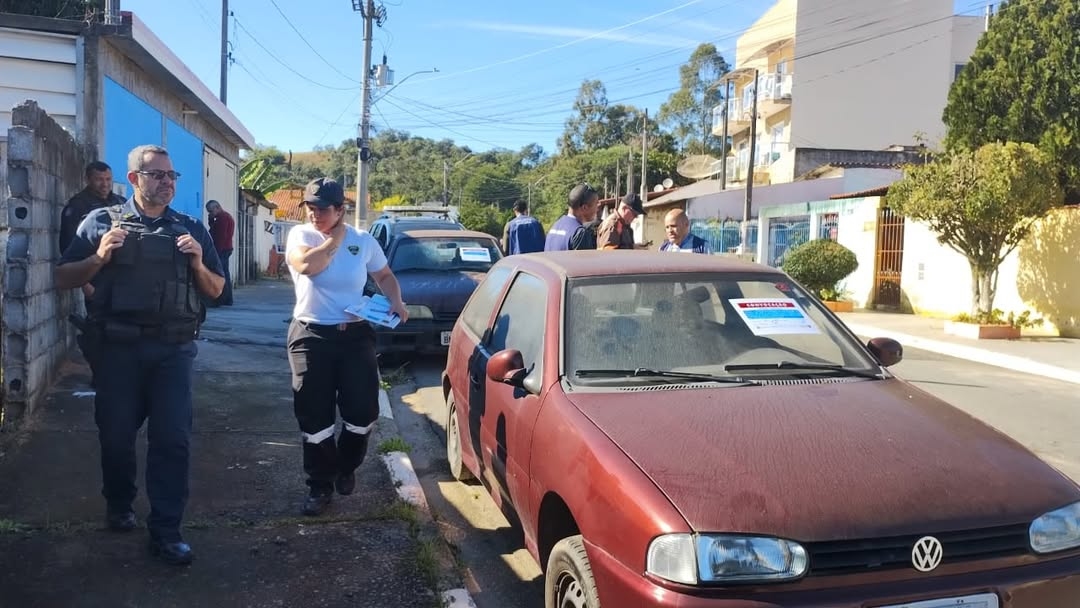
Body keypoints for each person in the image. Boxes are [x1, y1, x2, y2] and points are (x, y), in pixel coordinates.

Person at [54, 144, 224, 566]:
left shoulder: (190, 228)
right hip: (117, 350)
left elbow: (217, 290)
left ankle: (166, 531)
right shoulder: (99, 222)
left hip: (173, 350)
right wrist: (99, 256)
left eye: (171, 176)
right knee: (115, 438)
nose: (167, 182)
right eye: (157, 175)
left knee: (173, 440)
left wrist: (199, 263)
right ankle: (119, 502)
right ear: (134, 179)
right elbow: (62, 277)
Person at [285, 177, 409, 517]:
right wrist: (335, 236)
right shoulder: (301, 236)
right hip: (311, 336)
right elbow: (309, 266)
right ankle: (319, 485)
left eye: (323, 209)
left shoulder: (363, 241)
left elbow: (383, 275)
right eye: (310, 207)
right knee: (315, 417)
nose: (314, 214)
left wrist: (396, 300)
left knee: (362, 412)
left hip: (355, 336)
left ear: (341, 209)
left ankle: (346, 465)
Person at [60, 162, 127, 386]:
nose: (105, 184)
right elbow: (69, 250)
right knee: (98, 330)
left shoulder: (119, 204)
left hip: (119, 281)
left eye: (108, 179)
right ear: (88, 179)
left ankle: (119, 375)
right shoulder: (77, 207)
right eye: (99, 179)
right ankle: (101, 377)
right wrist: (86, 285)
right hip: (95, 280)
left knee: (122, 330)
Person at [544, 183, 599, 251]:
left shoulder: (555, 226)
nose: (597, 209)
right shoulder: (580, 233)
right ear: (584, 207)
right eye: (596, 204)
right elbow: (585, 261)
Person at [205, 199, 236, 306]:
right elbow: (215, 230)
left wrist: (216, 253)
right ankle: (227, 299)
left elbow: (221, 237)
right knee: (224, 274)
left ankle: (222, 299)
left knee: (221, 276)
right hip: (225, 248)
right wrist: (211, 221)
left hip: (222, 250)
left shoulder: (222, 218)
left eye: (211, 211)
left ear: (217, 208)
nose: (210, 214)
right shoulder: (224, 217)